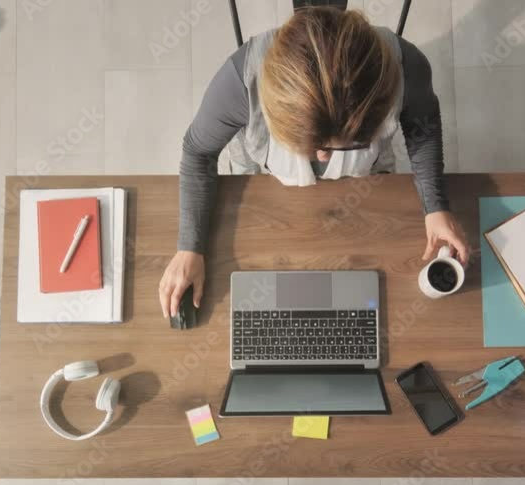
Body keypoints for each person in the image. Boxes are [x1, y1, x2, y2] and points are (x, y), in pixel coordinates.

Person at [159, 6, 471, 318]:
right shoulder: (240, 81)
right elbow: (198, 152)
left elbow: (423, 131)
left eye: (344, 146)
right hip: (261, 177)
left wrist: (436, 206)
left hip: (367, 181)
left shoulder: (409, 68)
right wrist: (189, 246)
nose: (324, 158)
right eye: (314, 147)